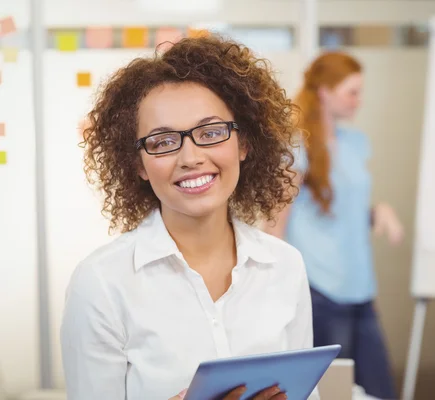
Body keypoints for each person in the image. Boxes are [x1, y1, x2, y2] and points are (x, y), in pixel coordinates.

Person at [60, 35, 315, 400]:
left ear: (244, 143)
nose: (190, 157)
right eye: (162, 142)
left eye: (211, 133)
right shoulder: (101, 284)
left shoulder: (286, 266)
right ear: (139, 165)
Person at [264, 52, 404, 399]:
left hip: (360, 290)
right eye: (351, 92)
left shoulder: (356, 143)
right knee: (331, 392)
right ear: (325, 92)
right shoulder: (297, 146)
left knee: (378, 391)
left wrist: (378, 211)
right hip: (321, 291)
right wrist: (273, 292)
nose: (359, 100)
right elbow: (275, 222)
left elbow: (342, 207)